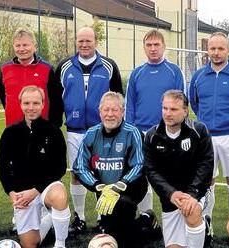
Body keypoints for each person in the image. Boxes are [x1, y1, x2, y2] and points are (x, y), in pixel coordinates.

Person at [51, 26, 123, 234]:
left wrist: (116, 125)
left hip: (102, 130)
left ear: (95, 42)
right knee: (77, 173)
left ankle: (102, 218)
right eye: (80, 41)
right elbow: (56, 100)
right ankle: (80, 217)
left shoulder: (109, 66)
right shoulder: (64, 67)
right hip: (74, 130)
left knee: (102, 174)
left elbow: (118, 98)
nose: (84, 45)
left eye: (88, 41)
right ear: (76, 42)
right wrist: (56, 126)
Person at [189, 32, 229, 228]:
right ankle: (206, 223)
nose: (216, 53)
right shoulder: (198, 76)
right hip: (205, 137)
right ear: (207, 50)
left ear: (228, 50)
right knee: (206, 180)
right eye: (212, 48)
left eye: (220, 48)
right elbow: (194, 103)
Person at [0, 86, 70, 248]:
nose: (31, 107)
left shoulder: (53, 131)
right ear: (21, 104)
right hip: (22, 192)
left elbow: (60, 167)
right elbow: (2, 167)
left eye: (36, 103)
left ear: (43, 104)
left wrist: (36, 190)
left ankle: (60, 243)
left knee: (59, 195)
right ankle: (50, 219)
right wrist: (11, 193)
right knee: (30, 244)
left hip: (45, 188)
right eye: (27, 103)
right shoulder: (10, 133)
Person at [73, 91, 147, 247]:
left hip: (131, 188)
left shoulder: (133, 133)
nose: (110, 114)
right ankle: (146, 221)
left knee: (122, 224)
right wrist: (97, 185)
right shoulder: (91, 134)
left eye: (115, 110)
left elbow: (140, 165)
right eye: (106, 110)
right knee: (112, 228)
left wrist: (119, 185)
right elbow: (79, 166)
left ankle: (136, 228)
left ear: (122, 111)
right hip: (104, 189)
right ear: (100, 112)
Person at [125, 29, 185, 212]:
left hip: (167, 132)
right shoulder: (136, 74)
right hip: (142, 133)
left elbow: (182, 104)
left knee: (171, 176)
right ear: (144, 48)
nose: (153, 49)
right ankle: (147, 216)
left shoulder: (174, 71)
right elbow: (130, 105)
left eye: (156, 44)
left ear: (163, 47)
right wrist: (131, 132)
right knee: (142, 175)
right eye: (149, 45)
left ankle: (174, 214)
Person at [144, 90, 213, 247]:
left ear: (185, 111)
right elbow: (151, 171)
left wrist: (192, 194)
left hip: (196, 192)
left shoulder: (199, 131)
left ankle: (199, 224)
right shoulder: (152, 136)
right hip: (170, 198)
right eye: (165, 108)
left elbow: (206, 165)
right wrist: (171, 193)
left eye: (174, 109)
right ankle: (204, 227)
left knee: (192, 211)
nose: (168, 114)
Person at [0, 27, 59, 127]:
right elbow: (3, 97)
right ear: (13, 47)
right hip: (13, 129)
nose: (21, 49)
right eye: (18, 45)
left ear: (34, 46)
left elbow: (55, 100)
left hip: (41, 129)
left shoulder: (47, 69)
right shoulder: (5, 69)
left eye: (25, 45)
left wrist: (53, 126)